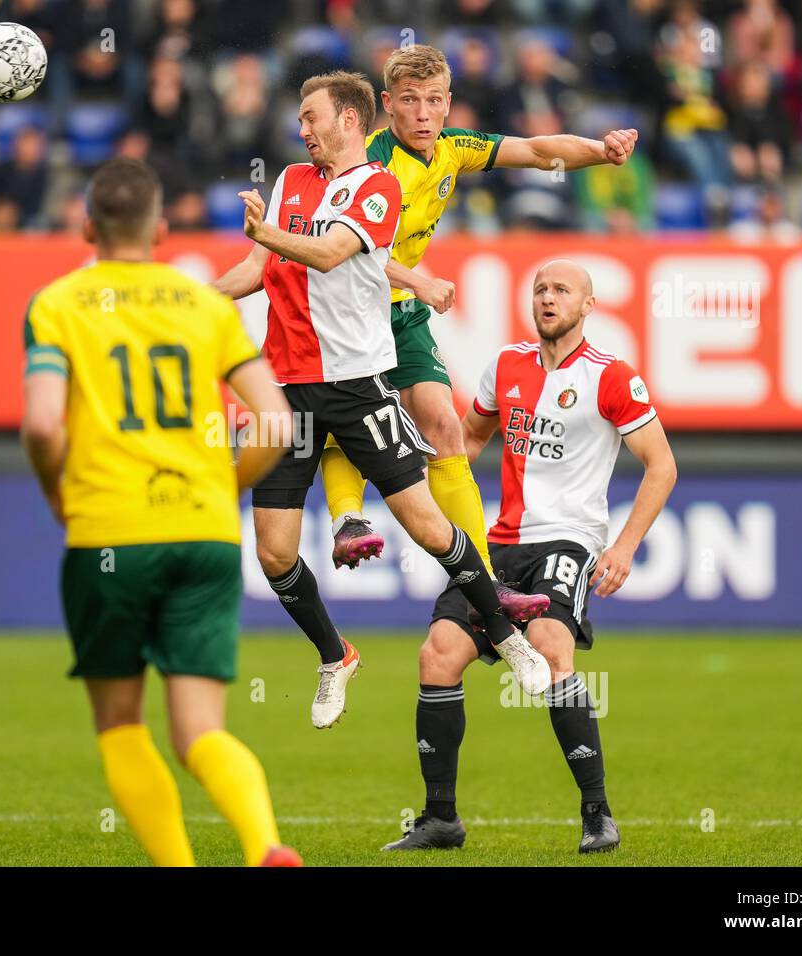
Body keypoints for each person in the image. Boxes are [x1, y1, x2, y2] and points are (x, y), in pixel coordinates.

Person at [214, 71, 552, 729]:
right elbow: (258, 273)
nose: (302, 127)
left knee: (428, 529)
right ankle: (335, 655)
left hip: (358, 387)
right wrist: (198, 298)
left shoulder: (378, 186)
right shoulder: (288, 182)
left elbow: (330, 254)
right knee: (274, 553)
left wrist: (264, 235)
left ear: (348, 119)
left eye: (311, 116)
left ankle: (509, 640)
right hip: (287, 394)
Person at [20, 156, 301, 868]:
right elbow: (274, 420)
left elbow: (44, 425)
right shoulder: (203, 305)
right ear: (162, 227)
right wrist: (224, 487)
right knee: (201, 731)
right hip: (203, 533)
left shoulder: (56, 304)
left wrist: (58, 495)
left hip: (110, 531)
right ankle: (263, 842)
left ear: (87, 226)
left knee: (120, 723)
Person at [317, 45, 635, 608]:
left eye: (433, 101)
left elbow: (537, 150)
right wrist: (417, 281)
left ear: (447, 105)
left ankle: (486, 581)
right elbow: (338, 248)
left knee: (443, 422)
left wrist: (601, 150)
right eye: (409, 101)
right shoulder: (365, 163)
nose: (421, 113)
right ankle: (347, 521)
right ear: (388, 105)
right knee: (354, 421)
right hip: (349, 311)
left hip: (402, 311)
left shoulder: (453, 149)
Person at [382, 259, 677, 855]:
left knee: (549, 644)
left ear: (588, 306)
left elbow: (662, 466)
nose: (548, 297)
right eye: (540, 288)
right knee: (437, 654)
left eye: (562, 290)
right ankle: (441, 819)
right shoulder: (505, 365)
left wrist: (623, 546)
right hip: (499, 542)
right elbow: (467, 440)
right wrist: (414, 475)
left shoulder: (612, 377)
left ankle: (598, 814)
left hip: (567, 538)